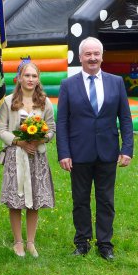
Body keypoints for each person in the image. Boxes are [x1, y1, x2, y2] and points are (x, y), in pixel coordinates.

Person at [57, 37, 133, 261]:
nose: (92, 58)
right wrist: (64, 152)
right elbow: (62, 122)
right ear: (80, 57)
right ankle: (82, 242)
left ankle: (105, 244)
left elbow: (126, 120)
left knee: (106, 200)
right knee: (80, 200)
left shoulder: (116, 82)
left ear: (102, 55)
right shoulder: (68, 85)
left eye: (96, 54)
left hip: (108, 152)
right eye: (88, 54)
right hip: (79, 153)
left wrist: (127, 148)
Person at [0, 61, 56, 257]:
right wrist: (18, 142)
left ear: (38, 79)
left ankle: (31, 242)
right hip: (16, 156)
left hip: (36, 156)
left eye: (34, 76)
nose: (30, 79)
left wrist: (40, 139)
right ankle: (18, 242)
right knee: (16, 199)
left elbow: (52, 128)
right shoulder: (8, 101)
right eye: (26, 76)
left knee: (34, 199)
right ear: (19, 78)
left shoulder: (45, 102)